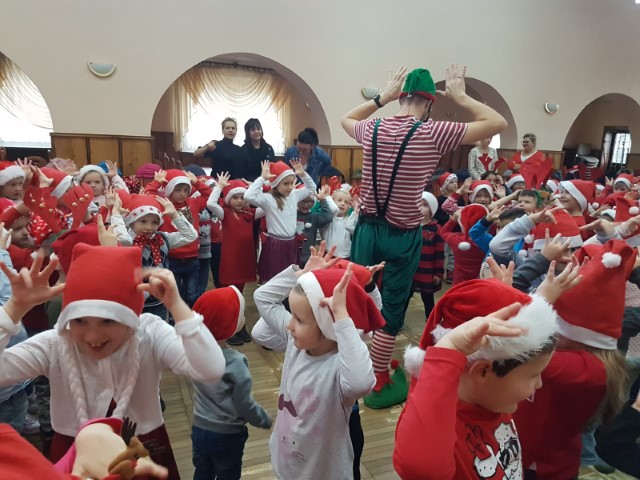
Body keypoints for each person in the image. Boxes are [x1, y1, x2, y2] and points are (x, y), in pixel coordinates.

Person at [340, 64, 507, 409]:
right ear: (430, 102)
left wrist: (381, 98)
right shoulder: (434, 131)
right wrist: (460, 97)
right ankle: (379, 377)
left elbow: (346, 119)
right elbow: (498, 123)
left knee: (358, 299)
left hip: (366, 230)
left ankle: (351, 368)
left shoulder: (373, 127)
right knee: (393, 307)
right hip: (403, 235)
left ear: (401, 96)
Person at [0, 245, 225, 479]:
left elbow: (210, 369)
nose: (93, 336)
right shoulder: (55, 344)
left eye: (108, 321)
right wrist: (14, 308)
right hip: (73, 452)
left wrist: (177, 306)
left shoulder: (150, 333)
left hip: (143, 448)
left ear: (130, 319)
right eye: (79, 321)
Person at [393, 268, 580, 479]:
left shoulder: (492, 397)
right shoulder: (438, 428)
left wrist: (511, 301)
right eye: (533, 375)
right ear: (483, 371)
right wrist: (449, 349)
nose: (539, 384)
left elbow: (516, 348)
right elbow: (422, 468)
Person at [253, 249, 384, 480]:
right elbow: (261, 306)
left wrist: (341, 316)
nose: (289, 325)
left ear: (327, 326)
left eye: (299, 319)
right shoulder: (296, 344)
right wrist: (299, 276)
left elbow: (361, 383)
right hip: (286, 462)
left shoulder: (339, 366)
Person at [513, 240, 634, 479]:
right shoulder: (578, 359)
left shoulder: (587, 369)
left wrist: (541, 301)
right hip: (529, 459)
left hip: (544, 470)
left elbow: (514, 348)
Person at [191, 287, 272, 480]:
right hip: (227, 435)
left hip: (200, 428)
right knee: (228, 474)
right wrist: (261, 418)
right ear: (229, 325)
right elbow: (243, 402)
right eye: (240, 315)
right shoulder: (235, 363)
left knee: (202, 471)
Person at [110, 193, 198, 319]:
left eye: (154, 222)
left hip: (159, 301)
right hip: (133, 301)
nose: (149, 227)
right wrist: (116, 214)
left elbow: (191, 235)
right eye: (143, 221)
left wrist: (174, 215)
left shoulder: (162, 239)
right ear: (132, 222)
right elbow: (122, 239)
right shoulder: (128, 240)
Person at [207, 173, 263, 345]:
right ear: (228, 199)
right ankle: (228, 328)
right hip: (230, 260)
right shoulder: (225, 213)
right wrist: (220, 187)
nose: (240, 201)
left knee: (239, 294)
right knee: (229, 295)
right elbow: (210, 203)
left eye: (243, 197)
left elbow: (268, 206)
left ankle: (239, 325)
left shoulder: (251, 214)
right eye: (235, 197)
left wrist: (256, 187)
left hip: (244, 260)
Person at [144, 169, 212, 307]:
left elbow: (209, 195)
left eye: (186, 190)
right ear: (169, 190)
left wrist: (197, 182)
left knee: (192, 294)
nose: (182, 194)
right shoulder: (163, 204)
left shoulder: (193, 202)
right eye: (178, 190)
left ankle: (191, 314)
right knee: (175, 294)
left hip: (192, 258)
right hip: (172, 258)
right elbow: (147, 197)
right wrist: (156, 182)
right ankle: (177, 316)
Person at [244, 160, 316, 283]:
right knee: (274, 277)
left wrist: (303, 174)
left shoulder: (294, 195)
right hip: (275, 245)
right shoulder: (268, 199)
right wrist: (262, 178)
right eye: (286, 183)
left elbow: (312, 188)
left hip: (291, 243)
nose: (290, 187)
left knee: (290, 277)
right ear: (276, 184)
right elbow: (248, 196)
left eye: (291, 183)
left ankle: (288, 295)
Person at [411, 192, 444, 319]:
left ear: (431, 210)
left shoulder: (436, 229)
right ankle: (398, 322)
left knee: (428, 298)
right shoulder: (410, 227)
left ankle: (431, 321)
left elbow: (440, 253)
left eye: (424, 205)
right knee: (405, 296)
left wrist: (438, 273)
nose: (420, 208)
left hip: (427, 271)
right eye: (418, 204)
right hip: (411, 270)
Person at [296, 184, 336, 267]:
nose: (306, 204)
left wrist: (322, 200)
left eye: (309, 201)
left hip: (307, 258)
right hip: (290, 255)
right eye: (302, 201)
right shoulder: (291, 215)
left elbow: (328, 217)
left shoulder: (314, 217)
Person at [322, 187, 359, 259]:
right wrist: (327, 197)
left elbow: (352, 229)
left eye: (346, 202)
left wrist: (355, 211)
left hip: (346, 256)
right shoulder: (329, 218)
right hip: (329, 254)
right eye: (339, 200)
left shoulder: (350, 219)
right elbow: (333, 209)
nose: (342, 203)